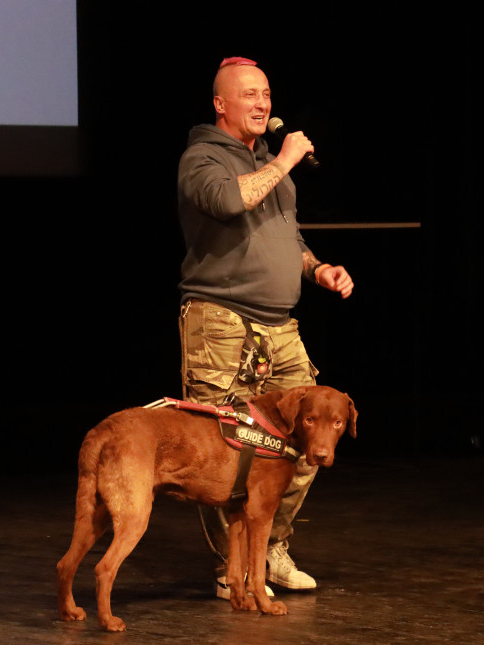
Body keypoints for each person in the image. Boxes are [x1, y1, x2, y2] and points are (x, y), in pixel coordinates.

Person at [176, 56, 354, 600]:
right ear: (220, 104)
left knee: (312, 436)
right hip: (222, 324)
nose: (261, 104)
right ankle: (231, 569)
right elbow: (231, 200)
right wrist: (285, 160)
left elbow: (287, 234)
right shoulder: (201, 157)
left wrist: (315, 267)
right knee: (226, 447)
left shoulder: (269, 166)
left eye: (267, 94)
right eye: (249, 95)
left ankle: (269, 546)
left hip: (280, 326)